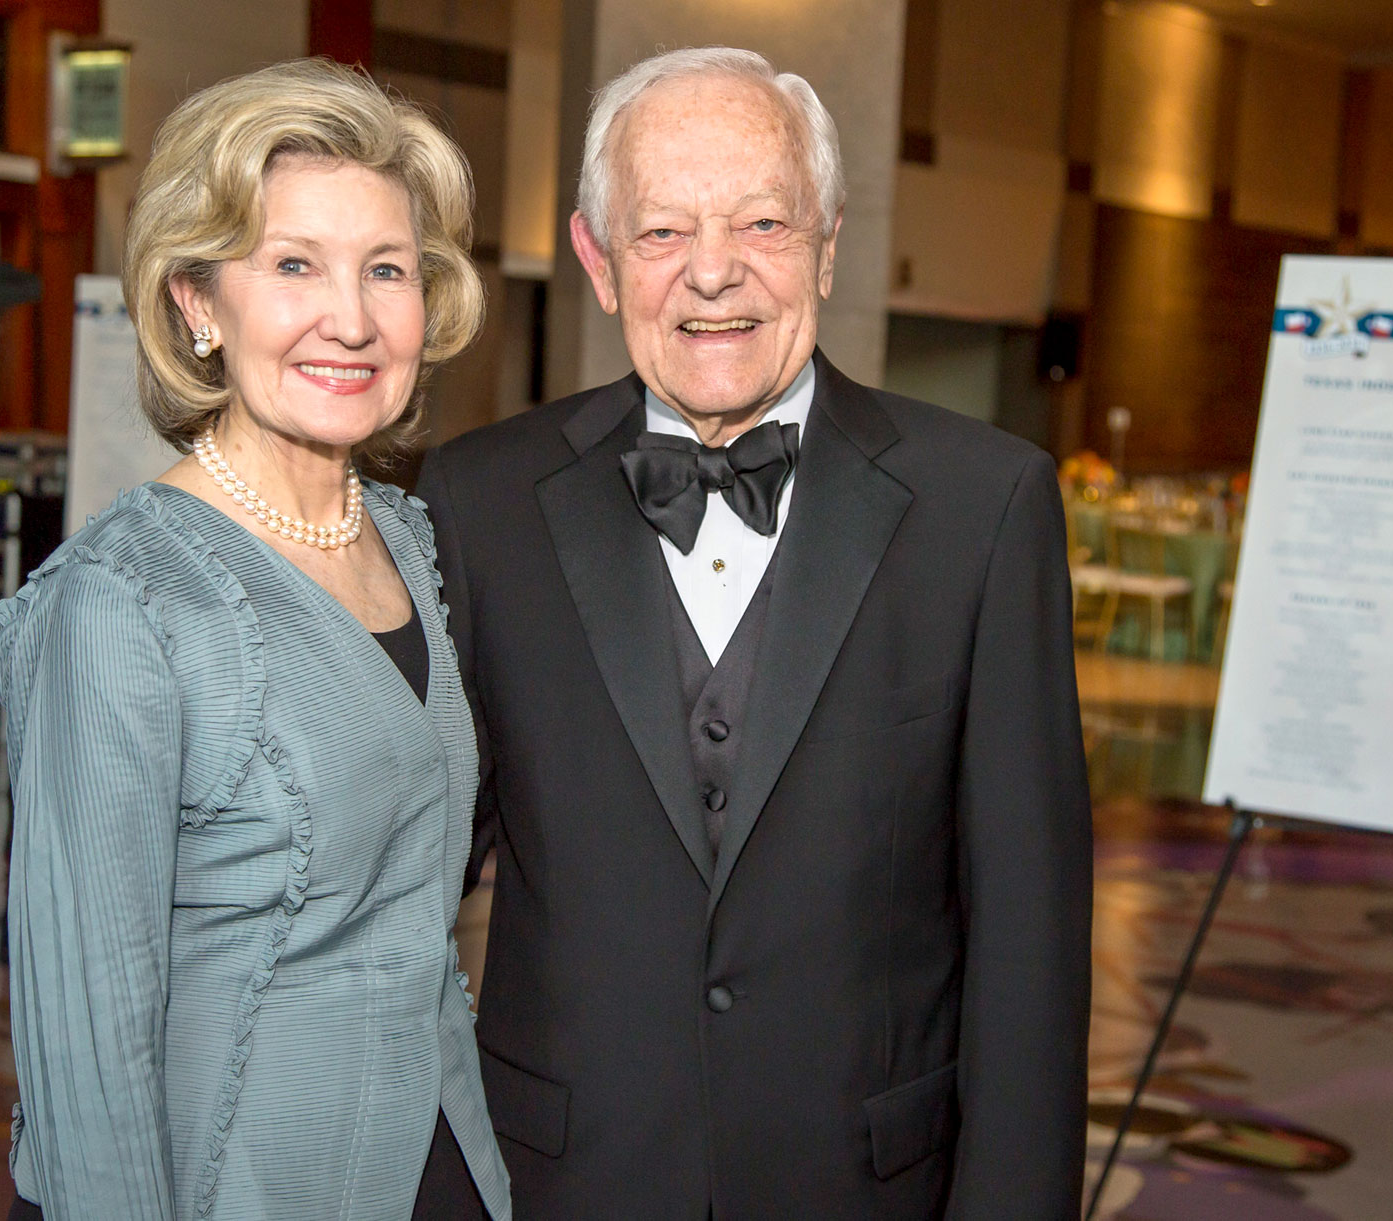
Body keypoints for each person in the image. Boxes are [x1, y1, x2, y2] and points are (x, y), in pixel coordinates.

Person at [416, 46, 1093, 1219]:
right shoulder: (475, 502)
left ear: (828, 241)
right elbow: (399, 895)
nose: (712, 275)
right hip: (558, 1180)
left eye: (763, 222)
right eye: (662, 232)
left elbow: (1030, 943)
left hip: (868, 1187)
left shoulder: (984, 508)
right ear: (597, 258)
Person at [0, 59, 511, 1220]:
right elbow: (84, 1059)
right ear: (197, 303)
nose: (352, 318)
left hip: (443, 1165)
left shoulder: (408, 544)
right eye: (291, 266)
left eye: (386, 270)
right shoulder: (120, 603)